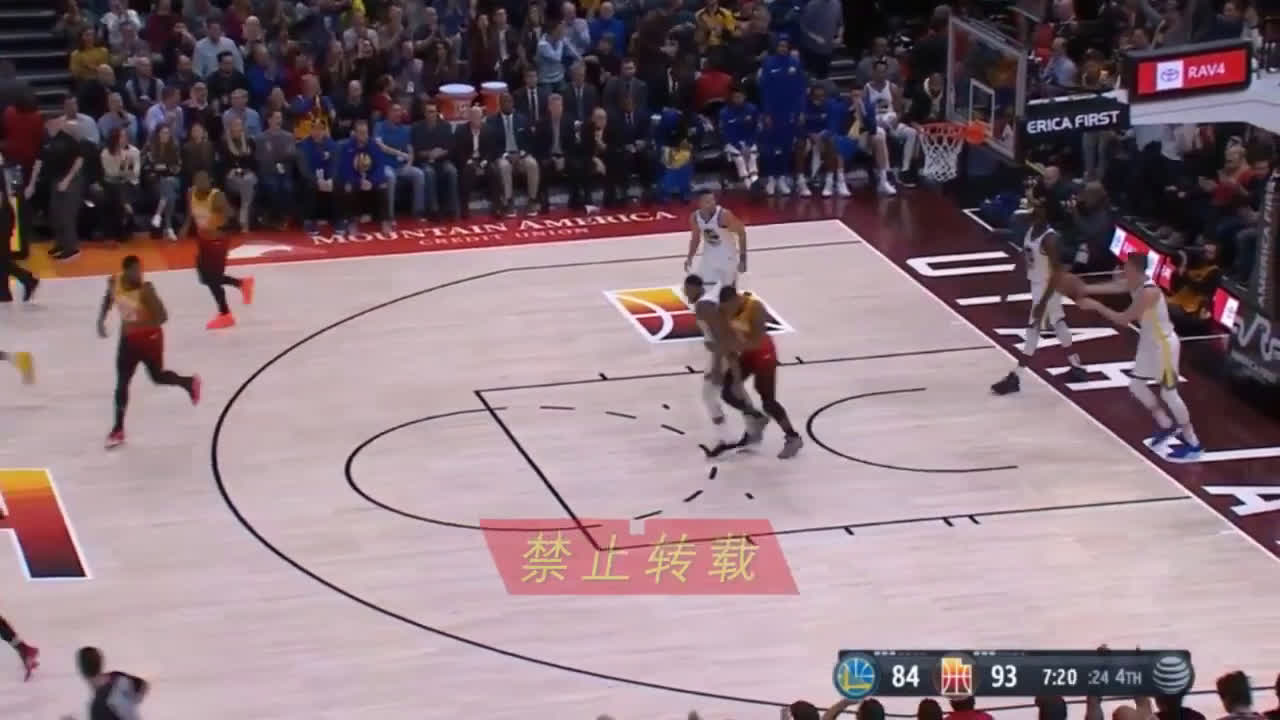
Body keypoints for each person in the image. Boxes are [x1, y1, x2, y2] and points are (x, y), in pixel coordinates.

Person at [1079, 252, 1203, 461]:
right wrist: (1083, 288)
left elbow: (1123, 319)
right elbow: (1113, 287)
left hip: (1164, 346)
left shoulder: (1149, 292)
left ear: (1136, 270)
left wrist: (1096, 305)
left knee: (1169, 395)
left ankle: (1193, 443)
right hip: (1148, 342)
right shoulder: (1134, 283)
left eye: (1126, 267)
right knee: (1136, 386)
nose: (1122, 269)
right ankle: (1166, 424)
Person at [97, 255, 201, 448]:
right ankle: (118, 429)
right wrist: (101, 319)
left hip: (150, 339)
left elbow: (162, 316)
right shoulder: (115, 282)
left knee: (157, 377)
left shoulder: (146, 290)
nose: (139, 274)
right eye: (135, 271)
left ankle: (188, 382)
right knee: (122, 383)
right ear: (126, 272)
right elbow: (108, 298)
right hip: (128, 342)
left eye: (140, 270)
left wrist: (137, 321)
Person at [991, 192, 1088, 395]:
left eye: (1040, 207)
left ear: (1047, 213)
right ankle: (1077, 367)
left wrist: (1043, 302)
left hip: (1047, 288)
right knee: (1058, 322)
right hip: (1037, 285)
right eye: (1035, 206)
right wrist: (1009, 285)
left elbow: (1057, 273)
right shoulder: (1031, 229)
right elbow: (1024, 258)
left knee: (1033, 330)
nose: (1035, 209)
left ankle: (1016, 377)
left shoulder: (1050, 239)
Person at [721, 286, 804, 458]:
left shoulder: (755, 307)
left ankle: (793, 437)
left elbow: (756, 340)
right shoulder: (726, 310)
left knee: (768, 401)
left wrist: (734, 345)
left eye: (728, 307)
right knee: (727, 390)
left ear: (735, 300)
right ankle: (756, 418)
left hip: (764, 354)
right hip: (748, 353)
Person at [179, 170, 255, 330]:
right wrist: (185, 227)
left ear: (209, 182)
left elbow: (233, 219)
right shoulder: (191, 193)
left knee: (213, 279)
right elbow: (191, 212)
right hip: (203, 240)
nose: (202, 185)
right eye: (199, 182)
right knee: (204, 278)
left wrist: (221, 228)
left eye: (205, 182)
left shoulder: (217, 197)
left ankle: (225, 314)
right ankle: (242, 284)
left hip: (218, 242)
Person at [864, 58, 919, 187]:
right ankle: (887, 172)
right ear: (873, 72)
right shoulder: (867, 88)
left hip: (891, 120)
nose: (881, 74)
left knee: (912, 133)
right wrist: (873, 122)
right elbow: (864, 111)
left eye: (883, 72)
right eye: (879, 72)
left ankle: (904, 170)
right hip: (875, 123)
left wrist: (897, 119)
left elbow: (899, 110)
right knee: (881, 134)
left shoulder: (892, 87)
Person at [77, 646, 148, 720]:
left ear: (82, 672)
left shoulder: (98, 707)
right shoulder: (117, 676)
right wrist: (128, 705)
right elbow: (142, 685)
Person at [719, 86, 760, 190]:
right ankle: (748, 184)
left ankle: (755, 181)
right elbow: (727, 134)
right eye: (735, 97)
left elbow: (756, 130)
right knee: (740, 159)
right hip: (732, 142)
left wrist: (748, 144)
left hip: (749, 141)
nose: (737, 99)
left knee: (752, 157)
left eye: (739, 97)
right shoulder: (725, 112)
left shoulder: (752, 109)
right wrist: (740, 147)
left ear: (744, 97)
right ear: (732, 98)